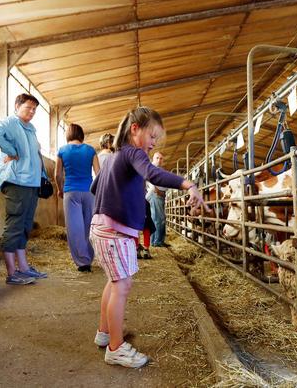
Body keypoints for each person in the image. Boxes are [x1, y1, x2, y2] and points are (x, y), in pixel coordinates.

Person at [89, 106, 208, 368]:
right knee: (122, 285)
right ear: (135, 130)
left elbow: (94, 185)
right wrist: (188, 183)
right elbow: (153, 173)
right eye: (152, 137)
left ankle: (105, 333)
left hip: (104, 228)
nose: (153, 144)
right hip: (113, 231)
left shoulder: (114, 157)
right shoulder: (133, 153)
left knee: (114, 281)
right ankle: (116, 348)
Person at [0, 93, 48, 285]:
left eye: (35, 109)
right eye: (28, 107)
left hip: (32, 182)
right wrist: (11, 150)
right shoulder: (11, 123)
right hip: (17, 181)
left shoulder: (30, 129)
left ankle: (24, 268)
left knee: (25, 226)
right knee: (15, 225)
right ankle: (12, 273)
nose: (32, 111)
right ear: (17, 106)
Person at [55, 124, 99, 272]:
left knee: (75, 227)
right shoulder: (90, 150)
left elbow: (57, 174)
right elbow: (98, 174)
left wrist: (60, 189)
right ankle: (89, 257)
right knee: (89, 225)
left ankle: (82, 262)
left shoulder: (62, 150)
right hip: (89, 191)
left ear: (68, 134)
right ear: (81, 135)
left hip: (71, 191)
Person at [146, 152, 169, 247]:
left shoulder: (160, 170)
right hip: (155, 194)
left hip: (160, 195)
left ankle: (158, 240)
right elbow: (147, 179)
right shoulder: (151, 168)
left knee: (159, 218)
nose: (159, 160)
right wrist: (156, 189)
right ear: (153, 159)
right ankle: (157, 242)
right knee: (158, 219)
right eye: (157, 158)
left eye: (161, 158)